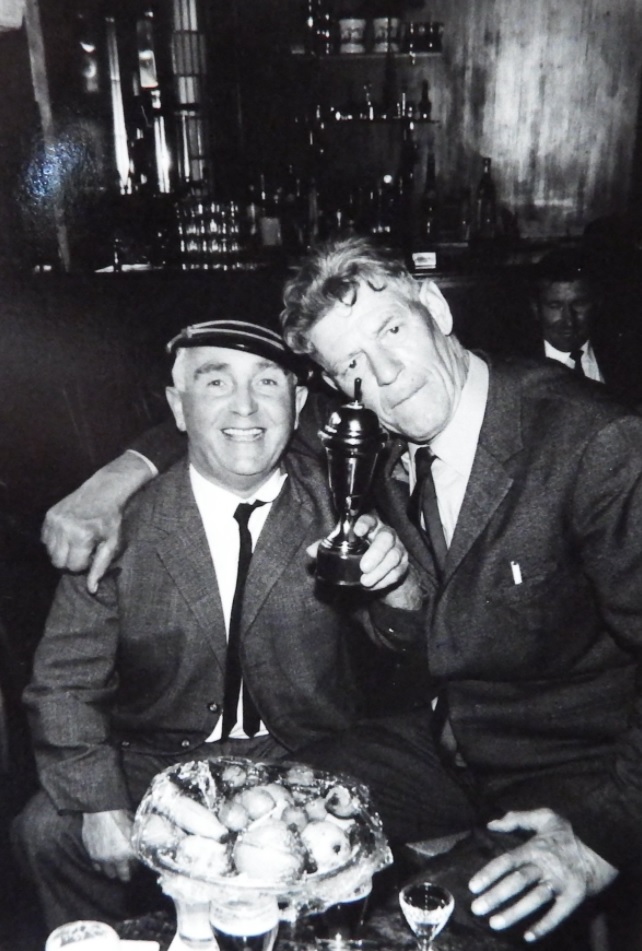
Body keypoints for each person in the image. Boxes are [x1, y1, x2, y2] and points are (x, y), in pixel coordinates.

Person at [39, 241, 642, 943]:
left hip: (574, 769)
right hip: (440, 746)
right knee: (270, 826)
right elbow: (232, 422)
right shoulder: (373, 441)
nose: (383, 372)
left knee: (411, 928)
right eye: (351, 363)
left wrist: (603, 831)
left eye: (392, 329)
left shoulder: (593, 440)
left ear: (436, 307)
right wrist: (115, 476)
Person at [13, 319, 417, 932]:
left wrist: (394, 584)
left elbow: (402, 646)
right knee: (48, 831)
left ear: (298, 402)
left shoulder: (340, 504)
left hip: (306, 752)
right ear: (178, 408)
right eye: (215, 382)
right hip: (156, 757)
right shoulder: (120, 524)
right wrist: (98, 803)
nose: (246, 406)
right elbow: (64, 682)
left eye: (267, 382)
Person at [523, 246, 642, 405]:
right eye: (555, 306)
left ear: (597, 304)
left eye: (579, 304)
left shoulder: (627, 357)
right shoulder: (514, 370)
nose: (568, 321)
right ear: (536, 309)